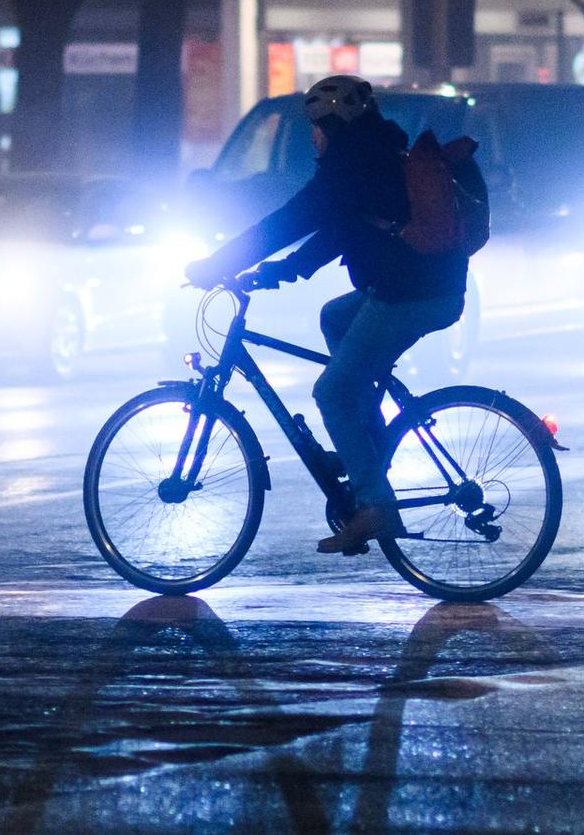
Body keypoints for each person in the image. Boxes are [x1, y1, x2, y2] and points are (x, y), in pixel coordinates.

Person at [185, 74, 479, 555]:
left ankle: (374, 503)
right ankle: (367, 442)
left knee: (334, 392)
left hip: (410, 294)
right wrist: (282, 271)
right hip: (420, 286)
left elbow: (289, 220)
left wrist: (217, 264)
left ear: (334, 124)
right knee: (335, 318)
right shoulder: (372, 157)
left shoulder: (349, 166)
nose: (313, 137)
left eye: (316, 126)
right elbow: (341, 230)